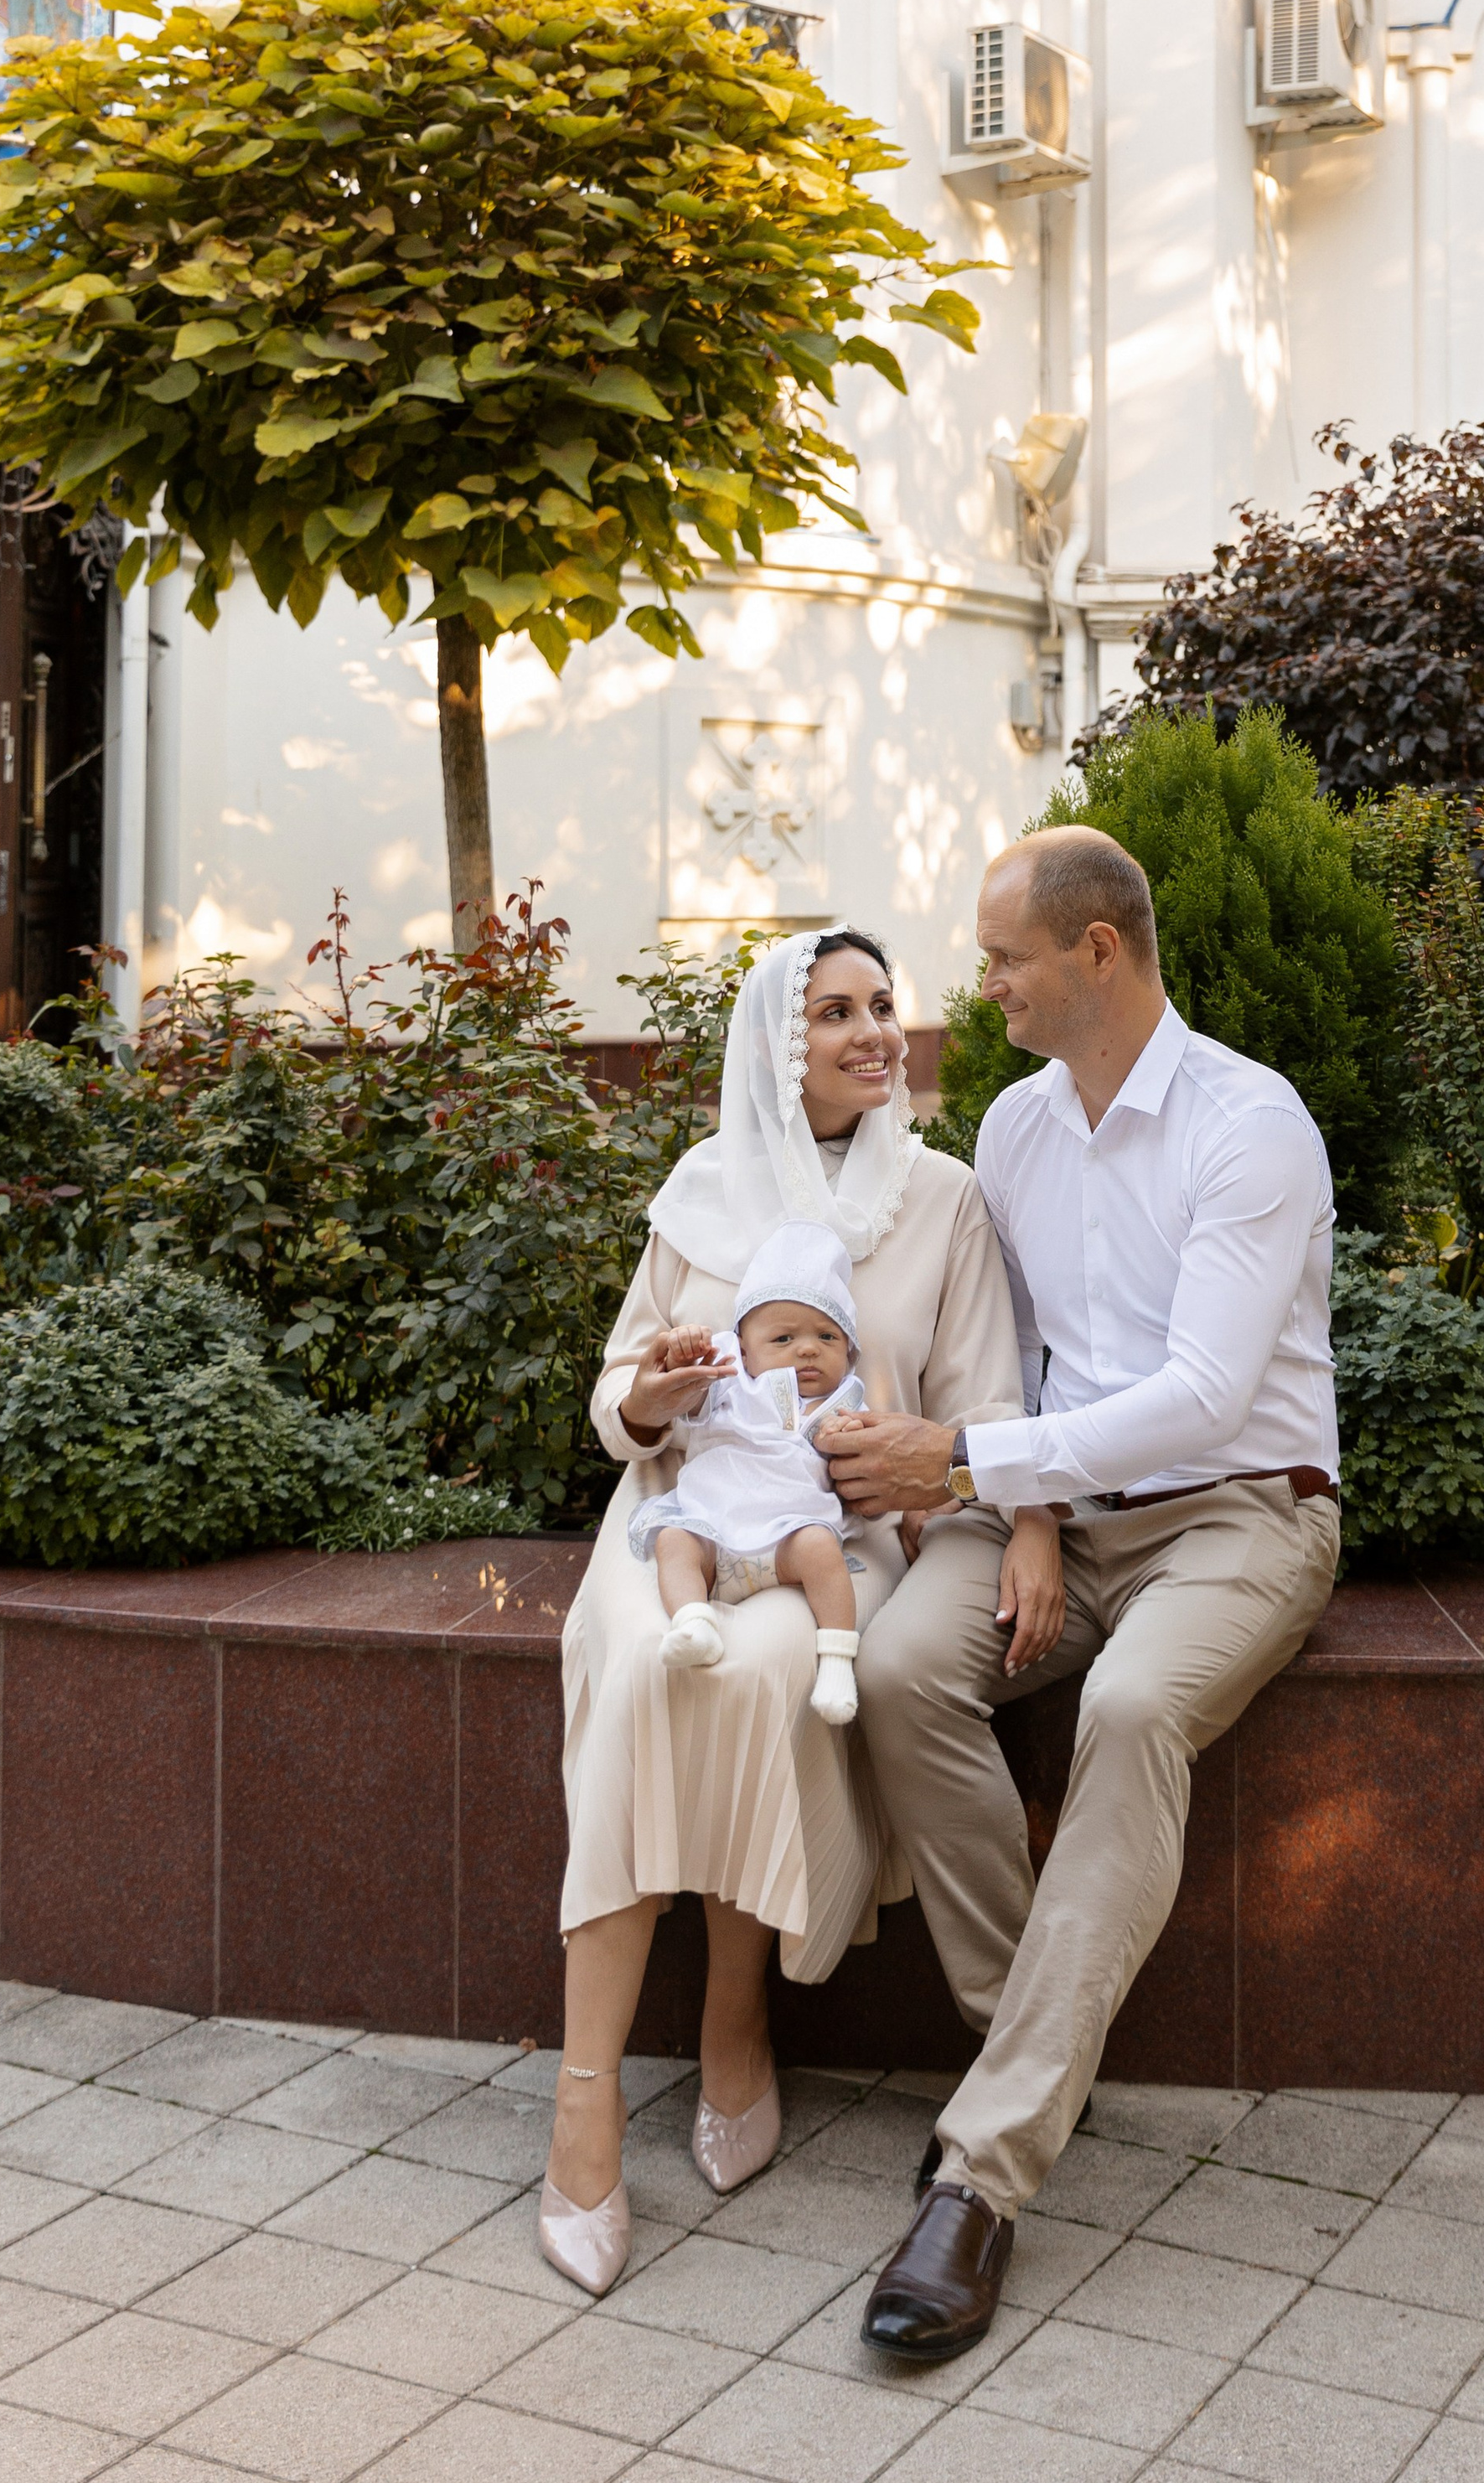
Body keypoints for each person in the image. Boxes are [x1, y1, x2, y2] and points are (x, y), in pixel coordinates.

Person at [823, 825, 1342, 2359]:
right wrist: (1026, 1507)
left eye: (1005, 962)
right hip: (1057, 1510)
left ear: (1097, 952)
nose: (982, 991)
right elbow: (1031, 1355)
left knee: (1125, 1708)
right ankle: (1025, 2043)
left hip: (1241, 1516)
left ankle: (982, 2176)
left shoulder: (1252, 1125)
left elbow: (1199, 1394)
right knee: (906, 1664)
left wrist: (975, 1459)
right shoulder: (1015, 1132)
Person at [540, 926, 1026, 2301]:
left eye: (883, 1007)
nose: (874, 1032)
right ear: (775, 1043)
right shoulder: (700, 1193)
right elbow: (614, 1398)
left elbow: (987, 1410)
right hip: (677, 1523)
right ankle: (584, 2103)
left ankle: (737, 2015)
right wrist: (660, 1392)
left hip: (836, 1536)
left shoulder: (944, 1202)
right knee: (649, 1666)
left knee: (762, 1670)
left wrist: (915, 1453)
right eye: (834, 1012)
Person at [630, 1217, 868, 1722]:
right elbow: (683, 1395)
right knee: (675, 1540)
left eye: (827, 1335)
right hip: (712, 1531)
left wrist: (845, 1440)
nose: (807, 1348)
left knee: (821, 1551)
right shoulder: (724, 1381)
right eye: (782, 1338)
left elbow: (855, 1460)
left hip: (786, 1542)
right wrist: (688, 1352)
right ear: (742, 1348)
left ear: (848, 1351)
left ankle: (837, 1663)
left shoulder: (841, 1402)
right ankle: (694, 1622)